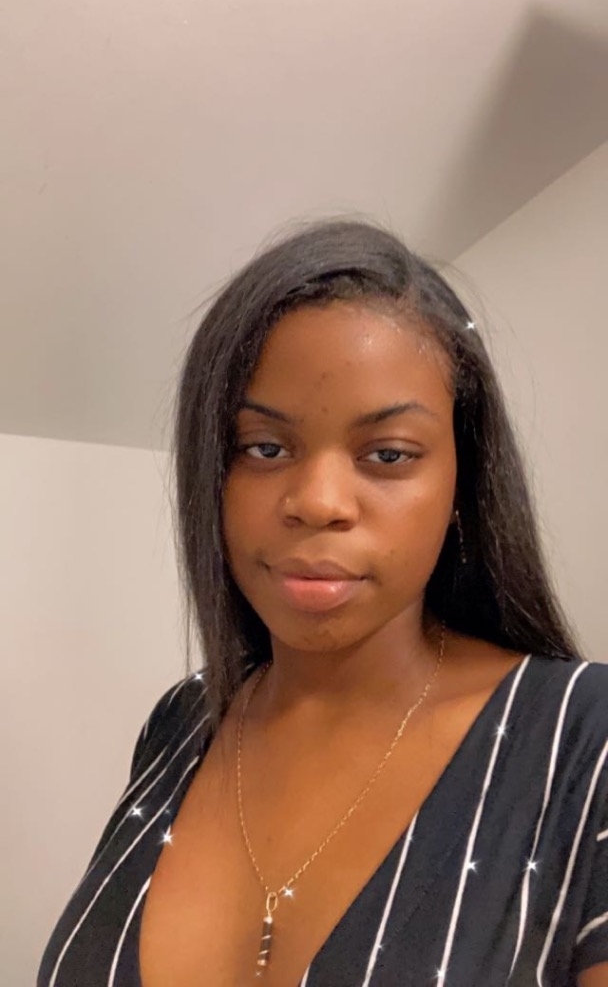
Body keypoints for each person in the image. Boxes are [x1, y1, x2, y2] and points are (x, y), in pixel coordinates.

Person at [37, 219, 608, 987]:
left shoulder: (585, 741)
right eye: (265, 448)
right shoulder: (182, 723)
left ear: (462, 483)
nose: (317, 501)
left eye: (388, 454)